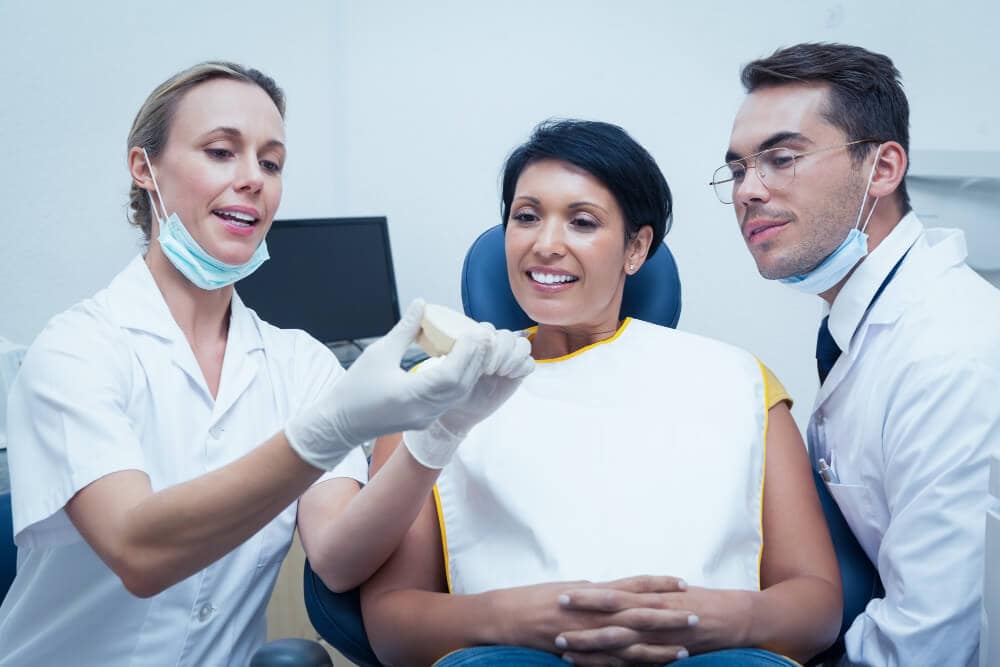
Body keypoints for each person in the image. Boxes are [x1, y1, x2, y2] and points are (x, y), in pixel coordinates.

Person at [0, 61, 532, 666]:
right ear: (144, 168)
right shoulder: (76, 350)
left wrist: (438, 436)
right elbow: (137, 552)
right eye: (221, 152)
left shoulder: (300, 364)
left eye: (271, 162)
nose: (253, 178)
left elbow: (338, 558)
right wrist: (329, 429)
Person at [360, 119, 842, 666]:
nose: (546, 245)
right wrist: (512, 619)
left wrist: (716, 620)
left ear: (636, 248)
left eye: (583, 222)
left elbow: (816, 602)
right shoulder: (430, 394)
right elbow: (391, 621)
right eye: (526, 217)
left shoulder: (740, 381)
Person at [716, 43, 1000, 666]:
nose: (748, 191)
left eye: (782, 159)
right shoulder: (861, 321)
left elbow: (930, 642)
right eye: (737, 169)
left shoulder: (949, 354)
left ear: (882, 168)